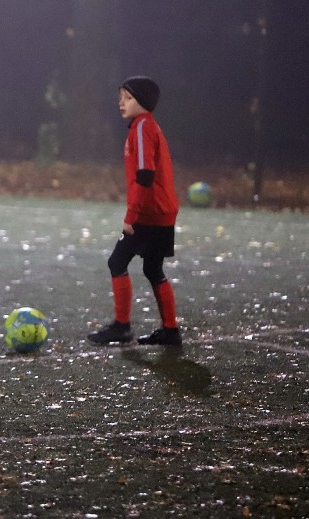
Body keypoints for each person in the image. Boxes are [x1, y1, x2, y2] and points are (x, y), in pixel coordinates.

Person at [87, 76, 181, 346]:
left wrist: (131, 217)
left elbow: (144, 176)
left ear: (143, 101)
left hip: (148, 214)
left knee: (117, 262)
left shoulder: (142, 128)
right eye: (120, 97)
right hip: (163, 211)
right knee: (153, 269)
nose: (121, 103)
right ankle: (171, 330)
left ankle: (122, 326)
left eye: (128, 98)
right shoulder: (148, 127)